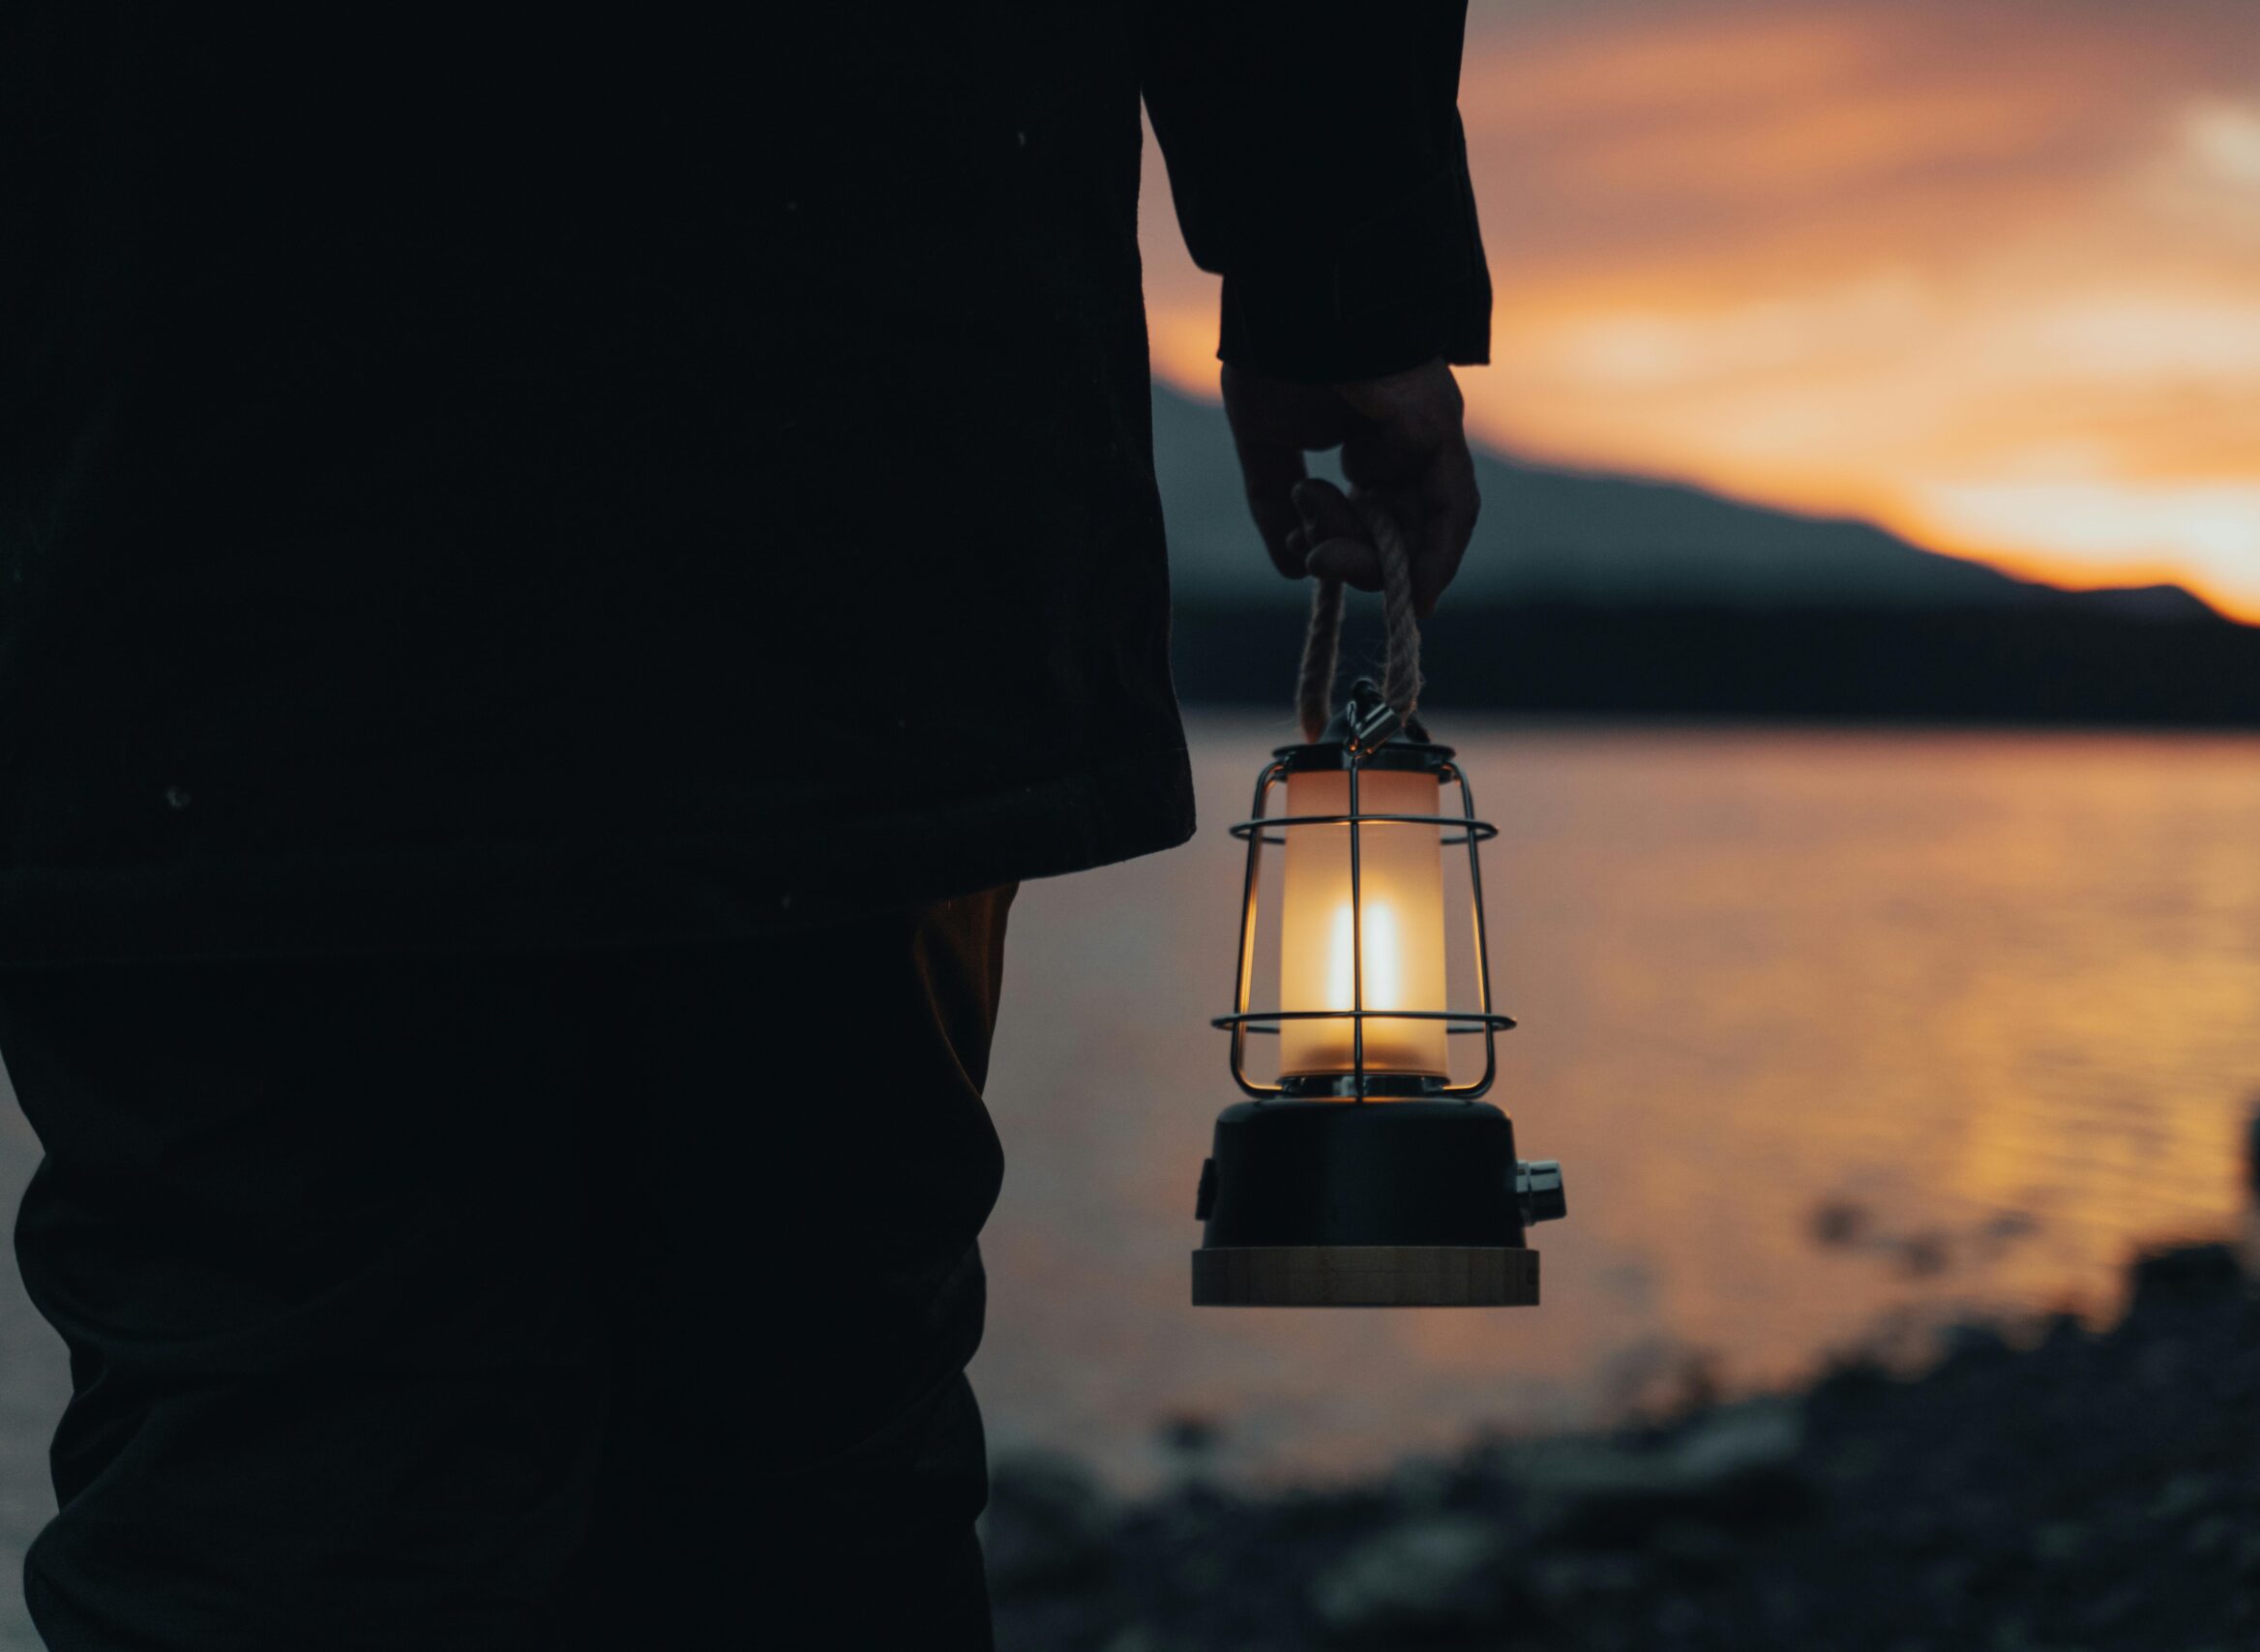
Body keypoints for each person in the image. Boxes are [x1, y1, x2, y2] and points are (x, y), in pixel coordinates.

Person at [0, 6, 1487, 1648]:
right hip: (851, 415)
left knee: (290, 1463)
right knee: (798, 1437)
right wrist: (1343, 268)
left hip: (188, 429)